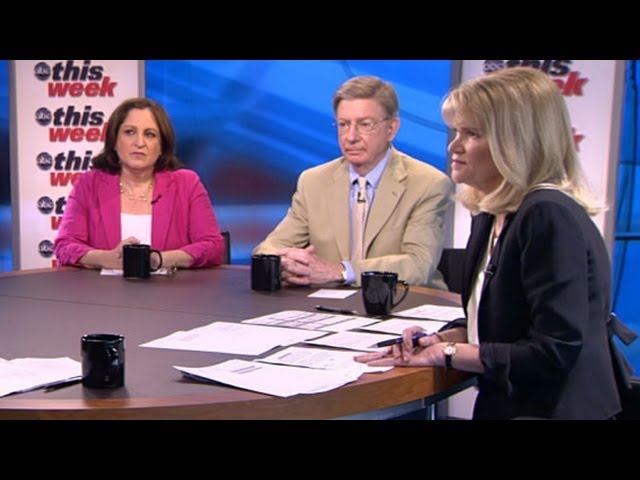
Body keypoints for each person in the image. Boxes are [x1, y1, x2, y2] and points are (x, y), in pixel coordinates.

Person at [356, 66, 622, 419]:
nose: (454, 145)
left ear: (516, 143)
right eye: (456, 131)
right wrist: (446, 338)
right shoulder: (491, 214)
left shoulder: (547, 215)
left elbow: (553, 352)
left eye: (472, 133)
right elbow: (506, 326)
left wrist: (449, 354)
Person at [253, 75, 453, 288]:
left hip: (405, 300)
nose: (351, 137)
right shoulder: (313, 181)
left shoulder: (427, 184)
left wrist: (340, 271)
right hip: (329, 303)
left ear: (391, 129)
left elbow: (418, 265)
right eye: (343, 124)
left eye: (365, 124)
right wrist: (286, 262)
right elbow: (269, 249)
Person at [54, 97, 224, 271]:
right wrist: (106, 259)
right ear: (114, 141)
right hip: (104, 288)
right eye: (129, 132)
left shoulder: (187, 183)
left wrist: (157, 259)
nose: (139, 143)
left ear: (161, 146)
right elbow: (65, 246)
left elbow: (213, 247)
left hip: (171, 288)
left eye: (150, 134)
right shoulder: (89, 184)